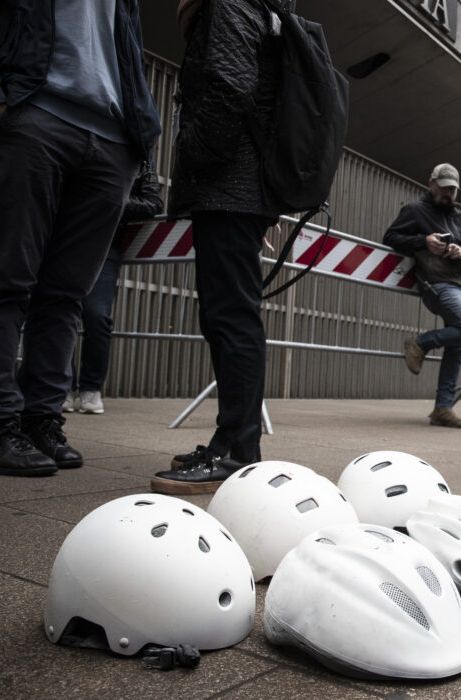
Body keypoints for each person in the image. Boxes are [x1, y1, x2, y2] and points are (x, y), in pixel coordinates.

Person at [0, 0, 160, 478]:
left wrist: (137, 139)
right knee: (6, 281)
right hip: (36, 114)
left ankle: (41, 418)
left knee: (65, 295)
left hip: (111, 140)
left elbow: (125, 49)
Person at [149, 0, 282, 494]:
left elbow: (229, 89)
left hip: (228, 187)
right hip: (238, 189)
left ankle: (235, 451)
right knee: (229, 316)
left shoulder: (227, 4)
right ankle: (237, 446)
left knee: (231, 318)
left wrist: (192, 157)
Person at [384, 163, 461, 429]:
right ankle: (421, 343)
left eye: (453, 189)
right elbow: (390, 237)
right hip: (437, 284)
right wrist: (423, 241)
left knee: (457, 346)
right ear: (431, 183)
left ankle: (442, 408)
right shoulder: (415, 211)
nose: (448, 193)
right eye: (444, 187)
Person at [63, 160, 163, 416]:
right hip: (65, 238)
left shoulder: (141, 159)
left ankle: (90, 388)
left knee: (97, 316)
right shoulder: (76, 142)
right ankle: (59, 386)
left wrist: (107, 198)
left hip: (107, 243)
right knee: (59, 312)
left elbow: (153, 204)